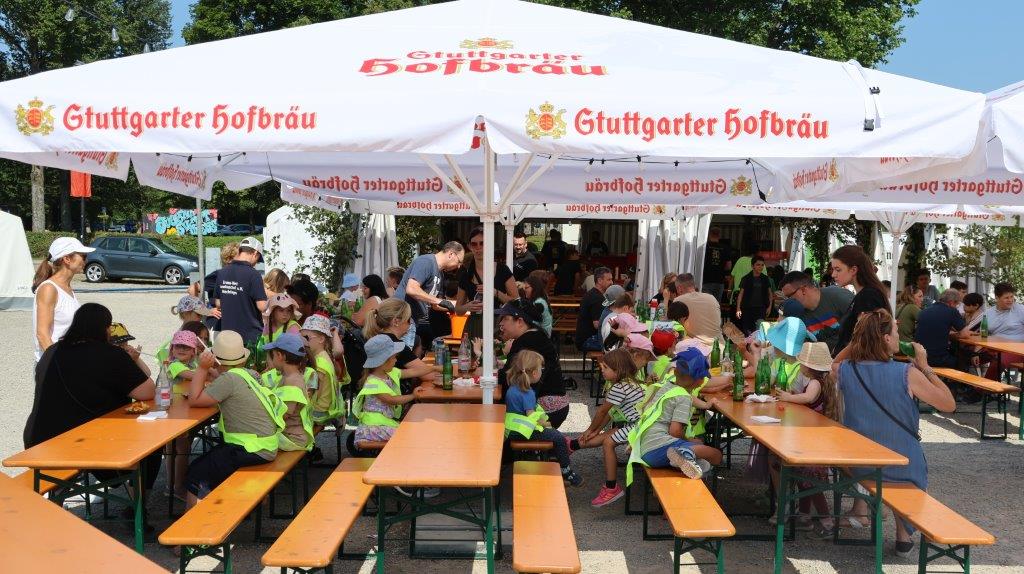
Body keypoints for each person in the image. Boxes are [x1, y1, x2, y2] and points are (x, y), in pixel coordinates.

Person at [836, 309, 955, 558]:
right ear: (887, 339)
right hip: (902, 466)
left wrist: (860, 336)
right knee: (908, 460)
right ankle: (903, 535)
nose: (900, 337)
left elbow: (834, 362)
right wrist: (926, 367)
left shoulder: (845, 369)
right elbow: (948, 404)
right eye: (896, 332)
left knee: (885, 455)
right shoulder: (906, 373)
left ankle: (883, 520)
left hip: (860, 465)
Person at [25, 302, 157, 464]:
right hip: (83, 441)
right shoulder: (110, 354)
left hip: (38, 436)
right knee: (151, 442)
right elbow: (148, 391)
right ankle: (133, 481)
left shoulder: (52, 351)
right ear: (104, 329)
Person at [184, 331, 285, 509]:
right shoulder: (250, 373)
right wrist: (213, 370)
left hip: (251, 449)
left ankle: (198, 522)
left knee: (196, 473)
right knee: (211, 462)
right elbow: (228, 381)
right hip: (266, 445)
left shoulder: (228, 380)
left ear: (216, 360)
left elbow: (194, 400)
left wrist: (202, 368)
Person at [771, 342, 842, 538]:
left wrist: (788, 397)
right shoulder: (824, 380)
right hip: (814, 437)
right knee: (805, 477)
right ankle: (804, 516)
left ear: (808, 366)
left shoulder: (815, 383)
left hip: (813, 440)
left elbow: (809, 398)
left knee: (809, 477)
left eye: (802, 362)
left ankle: (827, 522)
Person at [626, 347, 724, 487]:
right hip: (660, 448)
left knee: (700, 457)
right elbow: (675, 431)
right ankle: (686, 453)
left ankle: (689, 461)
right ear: (700, 380)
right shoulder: (683, 398)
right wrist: (689, 440)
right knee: (715, 454)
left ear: (675, 371)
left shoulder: (666, 386)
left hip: (644, 448)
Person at [572, 349, 648, 507]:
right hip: (640, 424)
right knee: (610, 434)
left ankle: (611, 487)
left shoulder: (619, 388)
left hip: (639, 427)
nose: (602, 370)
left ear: (618, 369)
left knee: (608, 442)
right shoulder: (630, 383)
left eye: (605, 367)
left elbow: (602, 411)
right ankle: (571, 445)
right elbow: (609, 413)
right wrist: (595, 430)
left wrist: (590, 430)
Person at [503, 350, 583, 486]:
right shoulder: (527, 393)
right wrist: (546, 424)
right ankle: (566, 471)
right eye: (541, 369)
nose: (542, 371)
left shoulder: (513, 388)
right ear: (534, 373)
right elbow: (531, 417)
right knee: (558, 438)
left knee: (553, 435)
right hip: (525, 432)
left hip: (512, 431)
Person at [497, 299, 570, 428]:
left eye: (505, 318)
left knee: (500, 410)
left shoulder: (525, 341)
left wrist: (488, 375)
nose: (501, 323)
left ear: (520, 322)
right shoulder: (536, 335)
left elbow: (508, 377)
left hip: (545, 409)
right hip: (557, 403)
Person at [352, 334, 422, 447]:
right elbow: (391, 400)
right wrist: (413, 396)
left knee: (410, 434)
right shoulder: (373, 382)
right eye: (394, 357)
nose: (396, 360)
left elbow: (415, 372)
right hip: (374, 426)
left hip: (383, 423)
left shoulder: (388, 374)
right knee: (408, 437)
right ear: (384, 361)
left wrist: (435, 368)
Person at [32, 237, 94, 361]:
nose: (86, 260)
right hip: (54, 365)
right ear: (67, 259)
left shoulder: (67, 288)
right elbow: (42, 335)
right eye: (83, 256)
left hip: (69, 360)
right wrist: (59, 364)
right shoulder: (49, 288)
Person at [394, 242, 464, 345]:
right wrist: (439, 301)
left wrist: (459, 306)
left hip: (411, 320)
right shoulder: (426, 262)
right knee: (401, 354)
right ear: (451, 254)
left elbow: (435, 305)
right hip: (400, 319)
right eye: (459, 261)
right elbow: (411, 289)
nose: (458, 266)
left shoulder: (440, 274)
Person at [363, 299, 440, 389]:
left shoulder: (378, 340)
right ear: (396, 321)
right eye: (408, 320)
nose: (411, 323)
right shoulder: (395, 346)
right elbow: (428, 375)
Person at [456, 228, 518, 336]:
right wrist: (467, 306)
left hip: (498, 324)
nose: (478, 247)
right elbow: (458, 310)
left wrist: (495, 292)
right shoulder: (466, 274)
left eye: (482, 243)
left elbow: (516, 302)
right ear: (469, 246)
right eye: (474, 244)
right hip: (475, 324)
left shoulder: (502, 270)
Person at [830, 245, 890, 355]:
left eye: (838, 270)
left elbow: (866, 340)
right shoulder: (865, 295)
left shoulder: (869, 296)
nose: (833, 274)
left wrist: (836, 360)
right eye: (833, 269)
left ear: (853, 270)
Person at [262, 333, 315, 452]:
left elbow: (284, 415)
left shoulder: (292, 382)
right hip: (290, 435)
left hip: (292, 438)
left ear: (280, 356)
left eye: (273, 355)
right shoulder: (290, 377)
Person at [779, 271, 854, 353]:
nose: (788, 300)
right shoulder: (797, 312)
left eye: (789, 296)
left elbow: (863, 327)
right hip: (823, 358)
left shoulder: (838, 296)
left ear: (803, 290)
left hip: (853, 356)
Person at [214, 237, 269, 345]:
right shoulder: (254, 275)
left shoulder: (222, 273)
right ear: (255, 253)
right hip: (250, 336)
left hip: (228, 335)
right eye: (258, 259)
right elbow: (262, 306)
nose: (256, 263)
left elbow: (218, 303)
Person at [300, 314, 345, 431]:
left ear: (321, 339)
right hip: (328, 408)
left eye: (306, 337)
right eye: (301, 337)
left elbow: (312, 395)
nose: (303, 341)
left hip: (319, 413)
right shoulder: (324, 356)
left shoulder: (319, 365)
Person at [914, 289, 969, 369]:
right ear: (951, 302)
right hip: (937, 359)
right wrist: (950, 335)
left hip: (919, 356)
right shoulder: (951, 311)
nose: (957, 307)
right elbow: (965, 334)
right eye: (957, 304)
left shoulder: (924, 310)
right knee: (964, 360)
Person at [979, 282, 1024, 380]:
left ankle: (983, 388)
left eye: (1012, 297)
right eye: (1006, 298)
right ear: (997, 298)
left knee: (998, 362)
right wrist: (976, 351)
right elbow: (983, 334)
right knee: (968, 356)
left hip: (1016, 349)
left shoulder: (1020, 310)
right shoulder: (988, 313)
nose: (1010, 300)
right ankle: (961, 384)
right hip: (994, 347)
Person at [673, 273, 722, 341]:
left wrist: (666, 299)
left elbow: (670, 325)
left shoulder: (679, 301)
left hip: (697, 345)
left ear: (679, 288)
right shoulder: (712, 298)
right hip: (719, 344)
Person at [576, 266, 613, 351]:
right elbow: (597, 325)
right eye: (609, 280)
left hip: (585, 338)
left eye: (611, 279)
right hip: (588, 340)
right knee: (619, 345)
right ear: (599, 281)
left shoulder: (594, 293)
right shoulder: (597, 298)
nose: (612, 282)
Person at [736, 255, 773, 335]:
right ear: (752, 266)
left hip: (761, 309)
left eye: (762, 265)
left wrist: (769, 307)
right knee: (747, 331)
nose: (760, 267)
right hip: (747, 308)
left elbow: (770, 294)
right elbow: (741, 294)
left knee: (759, 330)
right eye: (758, 265)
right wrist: (738, 308)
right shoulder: (746, 278)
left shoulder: (765, 278)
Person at [702, 228, 732, 303]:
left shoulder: (704, 247)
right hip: (719, 280)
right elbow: (729, 266)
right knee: (716, 304)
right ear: (719, 235)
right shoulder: (725, 248)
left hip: (706, 280)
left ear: (709, 235)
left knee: (706, 303)